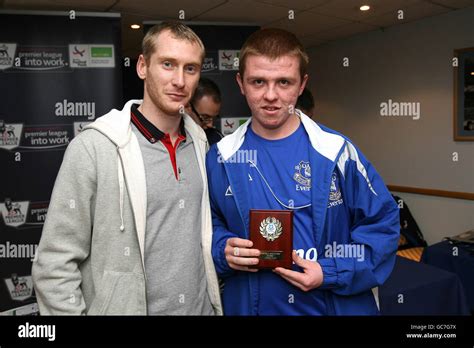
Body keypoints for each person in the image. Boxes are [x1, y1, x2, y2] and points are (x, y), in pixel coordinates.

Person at [32, 22, 222, 315]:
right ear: (143, 66)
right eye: (168, 64)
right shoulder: (94, 147)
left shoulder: (200, 144)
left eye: (191, 68)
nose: (179, 80)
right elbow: (54, 263)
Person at [206, 28, 399, 315]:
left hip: (331, 306)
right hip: (252, 306)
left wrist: (330, 271)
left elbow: (382, 227)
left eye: (284, 82)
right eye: (258, 81)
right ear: (241, 83)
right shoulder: (221, 157)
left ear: (301, 84)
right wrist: (222, 249)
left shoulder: (337, 152)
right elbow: (206, 226)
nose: (271, 95)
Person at [188, 77, 223, 145]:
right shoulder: (174, 138)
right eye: (205, 117)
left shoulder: (217, 139)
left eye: (214, 118)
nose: (210, 125)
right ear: (188, 107)